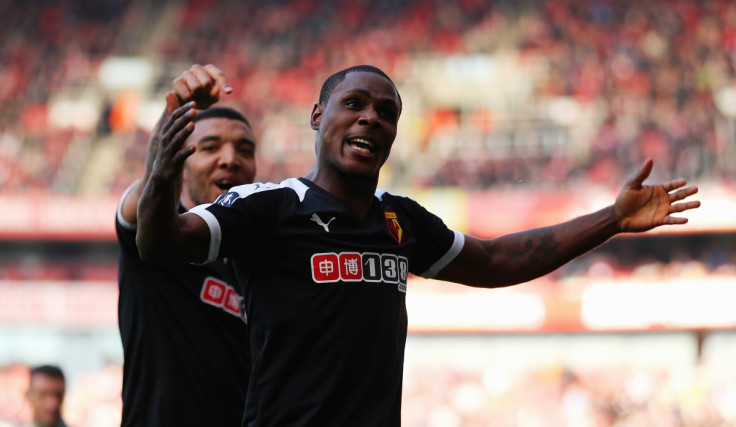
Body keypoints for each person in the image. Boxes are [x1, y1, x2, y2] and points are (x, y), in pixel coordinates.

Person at [135, 65, 701, 426]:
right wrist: (165, 164)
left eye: (387, 112)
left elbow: (499, 260)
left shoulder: (401, 221)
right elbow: (162, 246)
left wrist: (612, 218)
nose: (371, 118)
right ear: (317, 116)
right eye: (354, 103)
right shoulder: (269, 207)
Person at [116, 64, 255, 426]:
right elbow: (150, 185)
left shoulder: (254, 261)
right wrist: (173, 114)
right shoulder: (158, 231)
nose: (230, 159)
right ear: (184, 159)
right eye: (209, 147)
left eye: (245, 149)